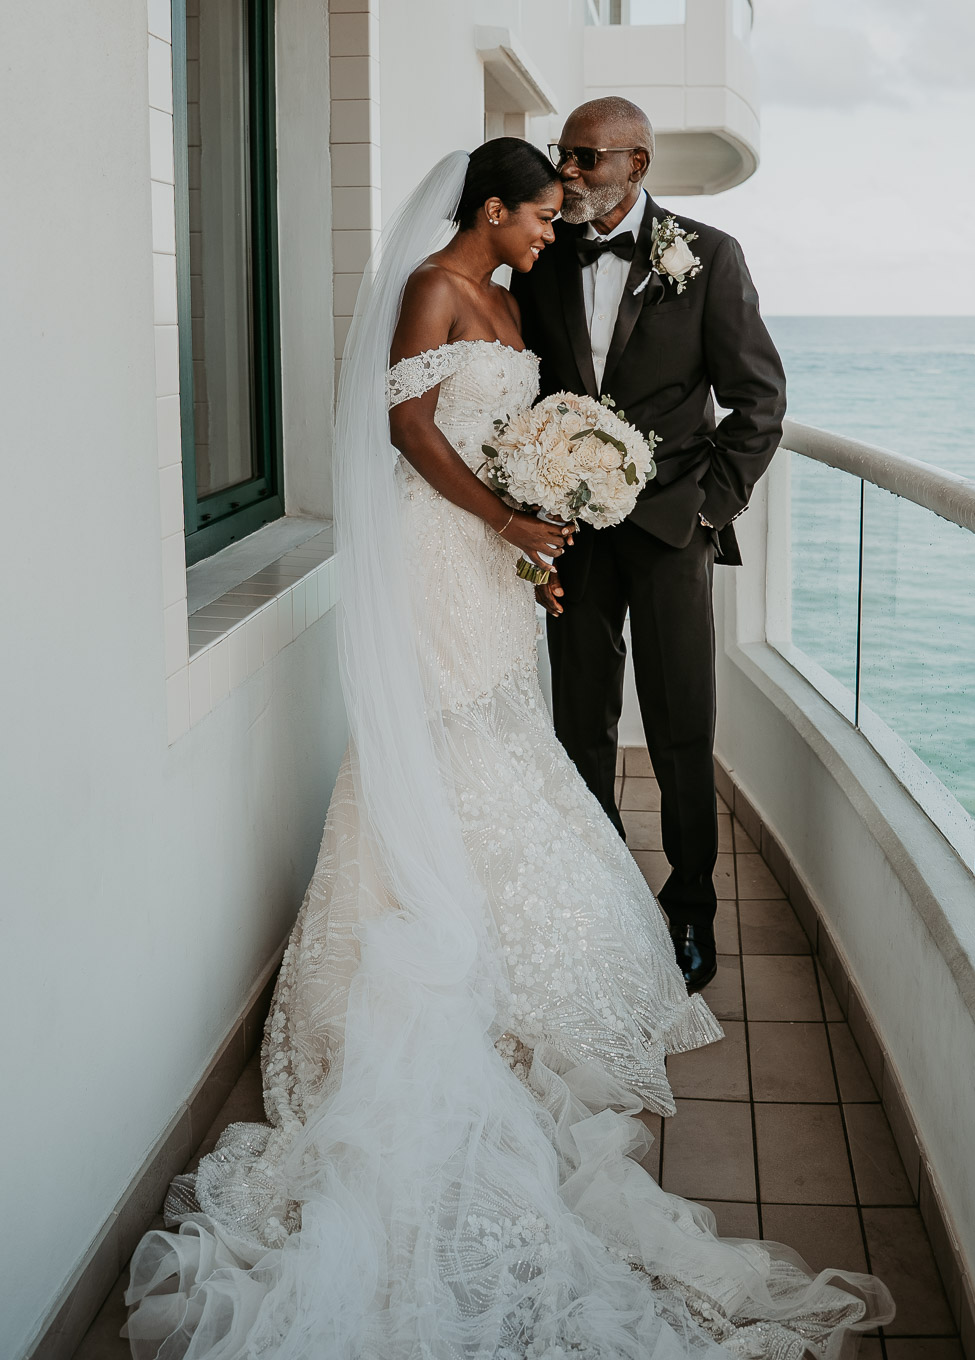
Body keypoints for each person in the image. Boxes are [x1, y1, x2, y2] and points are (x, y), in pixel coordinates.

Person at [124, 140, 890, 1358]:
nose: (552, 231)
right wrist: (504, 515)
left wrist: (539, 519)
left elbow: (555, 418)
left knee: (514, 733)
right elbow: (406, 426)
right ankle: (423, 940)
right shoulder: (433, 285)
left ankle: (536, 945)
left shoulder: (519, 290)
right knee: (445, 740)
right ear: (490, 208)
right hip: (443, 549)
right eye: (539, 213)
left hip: (497, 556)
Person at [511, 98, 787, 996]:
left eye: (586, 157)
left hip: (672, 531)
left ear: (638, 163)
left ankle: (692, 906)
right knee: (580, 720)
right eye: (564, 154)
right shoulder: (542, 256)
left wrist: (709, 510)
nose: (569, 172)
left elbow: (759, 402)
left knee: (680, 727)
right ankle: (599, 896)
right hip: (573, 530)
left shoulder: (708, 255)